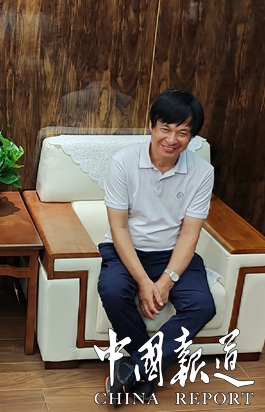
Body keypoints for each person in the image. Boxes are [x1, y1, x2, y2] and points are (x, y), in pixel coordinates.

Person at [98, 89, 216, 403]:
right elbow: (118, 227)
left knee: (202, 305)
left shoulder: (202, 172)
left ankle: (135, 369)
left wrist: (166, 280)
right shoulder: (123, 162)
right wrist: (142, 280)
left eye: (183, 133)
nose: (172, 139)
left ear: (192, 137)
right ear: (151, 125)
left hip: (173, 253)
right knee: (113, 290)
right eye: (165, 128)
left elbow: (189, 235)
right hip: (127, 250)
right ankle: (148, 370)